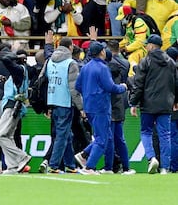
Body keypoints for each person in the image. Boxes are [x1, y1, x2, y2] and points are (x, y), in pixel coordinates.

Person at [75, 41, 128, 174]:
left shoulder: (86, 67)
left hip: (89, 106)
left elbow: (78, 86)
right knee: (102, 139)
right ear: (102, 52)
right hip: (101, 106)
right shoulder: (103, 68)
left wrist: (88, 94)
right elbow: (110, 87)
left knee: (106, 136)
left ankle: (84, 155)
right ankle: (89, 166)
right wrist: (123, 87)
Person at [129, 35, 178, 174]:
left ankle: (151, 158)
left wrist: (133, 103)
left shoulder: (146, 61)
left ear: (151, 46)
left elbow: (138, 84)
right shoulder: (171, 62)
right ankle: (165, 167)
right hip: (165, 104)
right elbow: (176, 83)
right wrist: (176, 101)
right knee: (165, 135)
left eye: (147, 45)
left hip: (148, 104)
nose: (146, 47)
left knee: (146, 132)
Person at [45, 36, 84, 174]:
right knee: (62, 134)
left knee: (66, 134)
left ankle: (69, 165)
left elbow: (44, 82)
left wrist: (47, 106)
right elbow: (74, 88)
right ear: (71, 47)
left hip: (53, 99)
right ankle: (54, 165)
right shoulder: (70, 63)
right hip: (65, 102)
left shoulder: (50, 61)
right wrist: (81, 107)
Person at [0, 49, 32, 174]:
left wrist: (12, 57)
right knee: (8, 136)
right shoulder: (23, 70)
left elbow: (6, 60)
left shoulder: (18, 70)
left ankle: (21, 157)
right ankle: (13, 166)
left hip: (12, 106)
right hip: (16, 106)